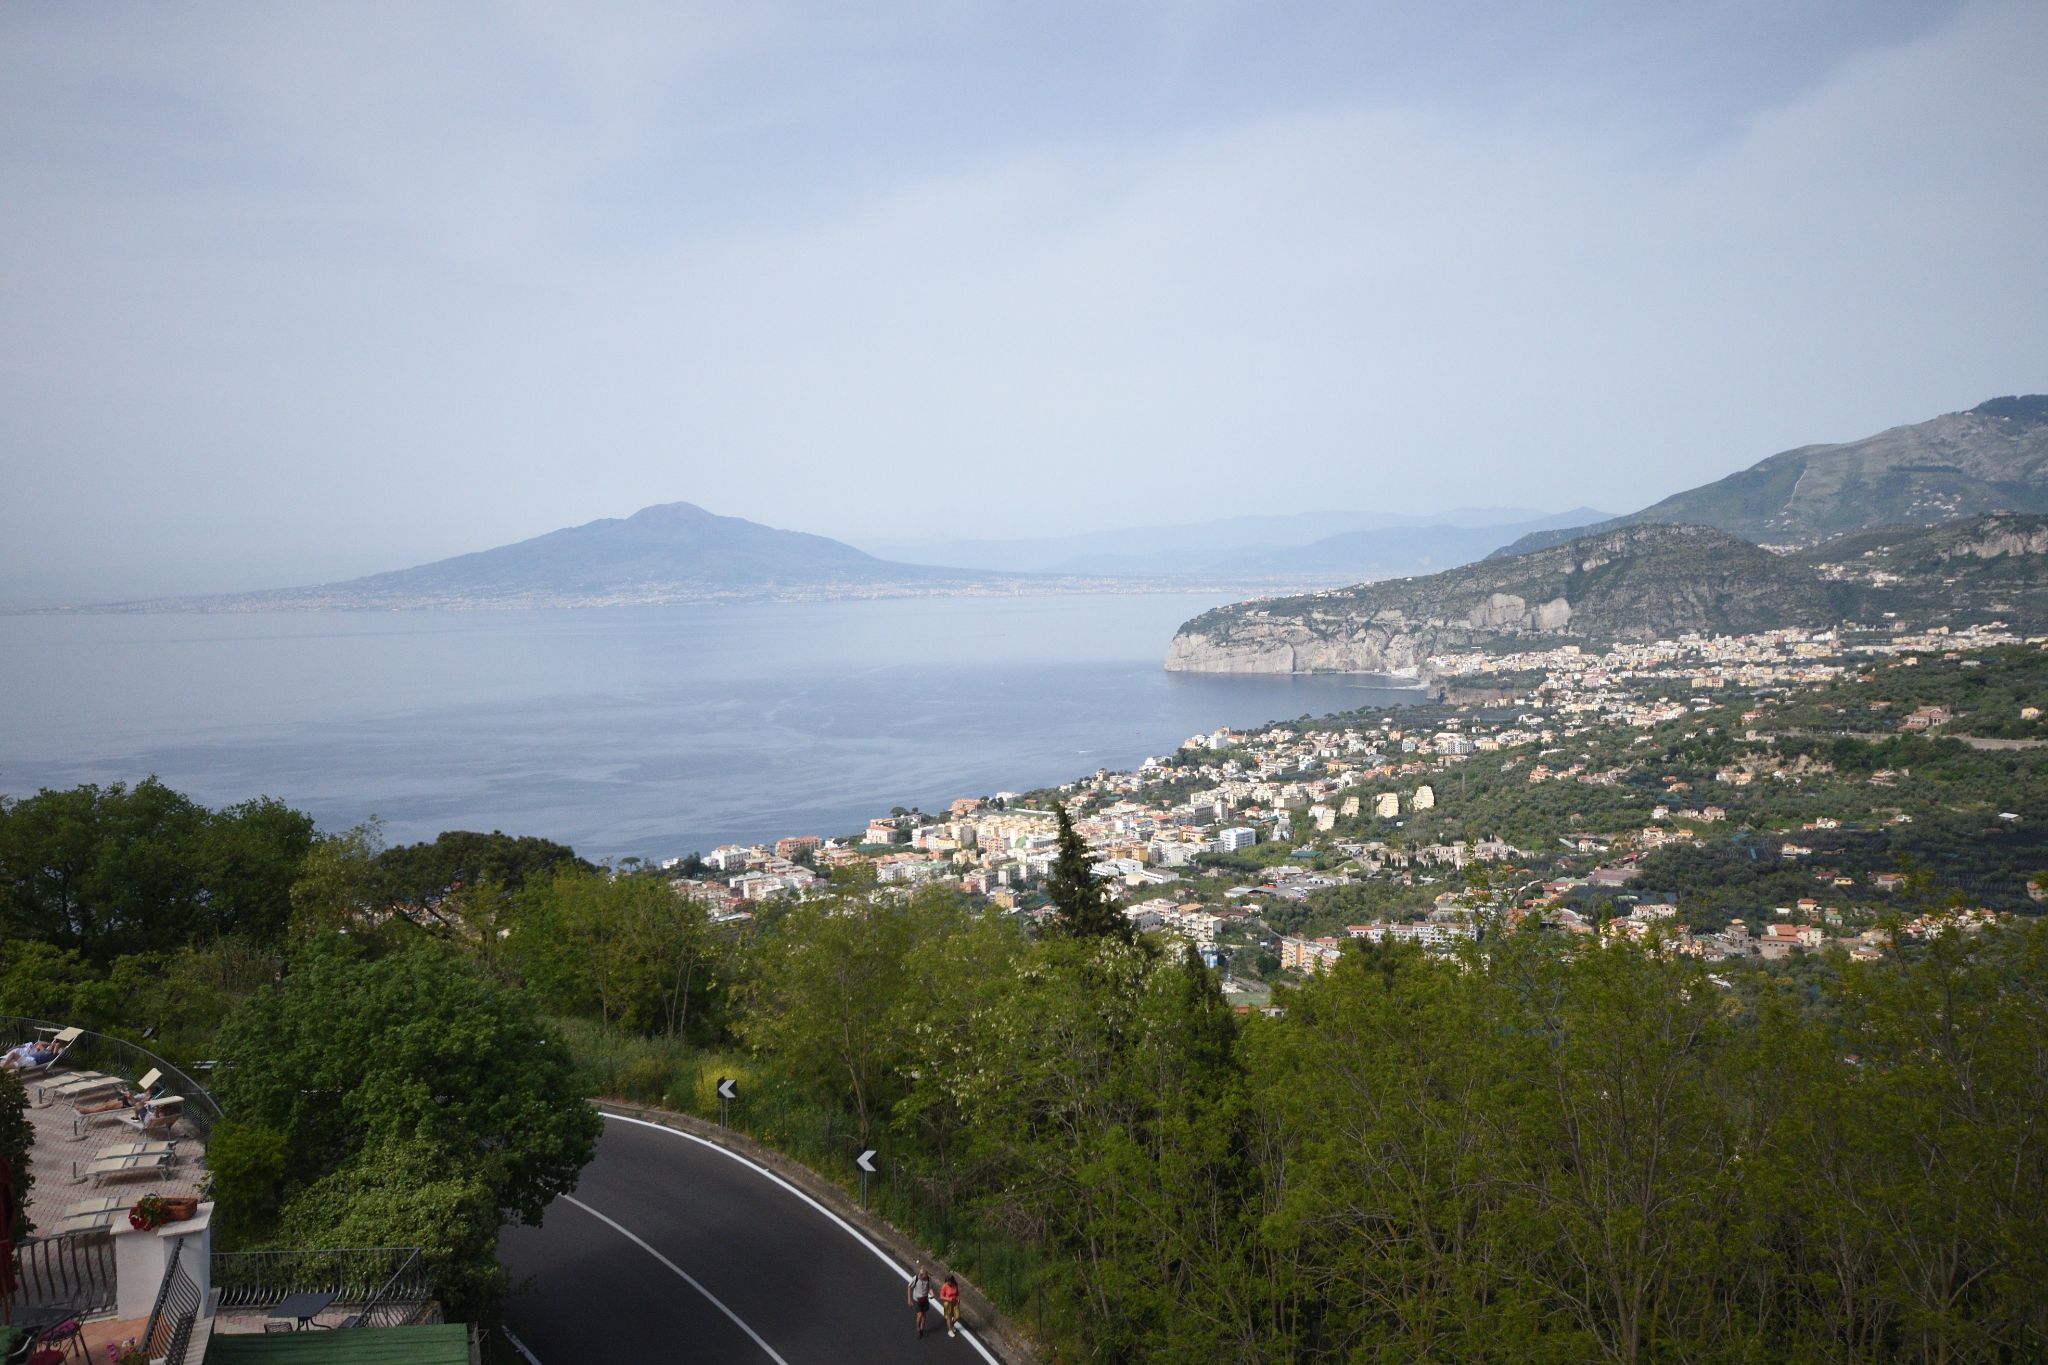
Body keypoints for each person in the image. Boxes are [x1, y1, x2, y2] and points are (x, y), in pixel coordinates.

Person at [907, 1265, 933, 1339]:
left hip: (925, 1299)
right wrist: (909, 1299)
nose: (922, 1276)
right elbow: (909, 1287)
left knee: (924, 1315)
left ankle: (922, 1329)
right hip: (917, 1300)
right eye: (921, 1275)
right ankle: (918, 1329)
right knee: (920, 1315)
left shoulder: (928, 1279)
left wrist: (932, 1293)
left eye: (923, 1275)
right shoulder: (915, 1278)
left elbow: (929, 1287)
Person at [938, 1273, 961, 1338]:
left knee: (957, 1316)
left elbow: (957, 1293)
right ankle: (950, 1330)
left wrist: (958, 1298)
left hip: (955, 1302)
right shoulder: (944, 1286)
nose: (948, 1283)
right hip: (948, 1303)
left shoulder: (955, 1284)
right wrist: (949, 1299)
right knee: (949, 1317)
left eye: (949, 1282)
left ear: (952, 1281)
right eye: (947, 1282)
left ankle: (951, 1325)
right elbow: (941, 1296)